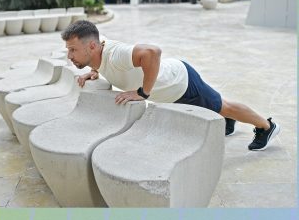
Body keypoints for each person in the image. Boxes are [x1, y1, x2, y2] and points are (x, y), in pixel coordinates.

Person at [61, 20, 280, 151]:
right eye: (68, 50)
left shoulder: (116, 54)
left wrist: (143, 92)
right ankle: (227, 119)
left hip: (180, 83)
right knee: (217, 105)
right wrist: (94, 71)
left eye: (73, 50)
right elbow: (102, 50)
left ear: (91, 46)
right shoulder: (96, 48)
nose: (69, 55)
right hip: (172, 86)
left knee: (223, 105)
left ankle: (266, 127)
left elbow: (152, 52)